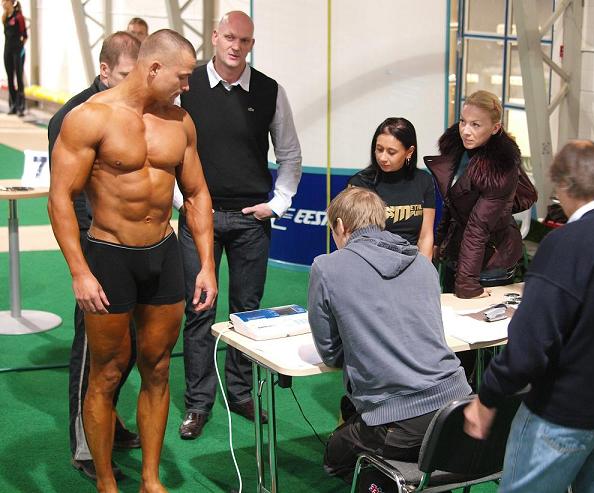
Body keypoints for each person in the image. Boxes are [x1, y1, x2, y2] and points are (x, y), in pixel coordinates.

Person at [48, 29, 217, 493]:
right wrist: (79, 271)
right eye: (182, 77)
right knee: (106, 373)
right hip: (109, 256)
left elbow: (197, 193)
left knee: (158, 367)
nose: (187, 86)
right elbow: (60, 198)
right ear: (154, 68)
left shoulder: (180, 121)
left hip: (162, 254)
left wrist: (206, 264)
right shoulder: (90, 118)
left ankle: (150, 479)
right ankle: (106, 483)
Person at [463, 141, 594, 493]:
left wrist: (488, 396)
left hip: (564, 412)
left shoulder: (566, 244)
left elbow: (531, 342)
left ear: (565, 185)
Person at [177, 10, 302, 438]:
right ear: (215, 36)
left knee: (248, 313)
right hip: (199, 218)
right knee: (199, 310)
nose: (236, 46)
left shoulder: (270, 91)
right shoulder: (187, 86)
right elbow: (167, 148)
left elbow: (290, 154)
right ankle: (198, 403)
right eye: (230, 37)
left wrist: (278, 204)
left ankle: (240, 392)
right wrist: (182, 202)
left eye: (245, 41)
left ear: (251, 44)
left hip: (252, 221)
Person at [307, 186, 471, 480]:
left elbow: (330, 353)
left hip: (398, 421)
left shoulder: (327, 267)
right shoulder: (422, 263)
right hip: (458, 407)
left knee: (335, 456)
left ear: (340, 226)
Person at [47, 31, 142, 483]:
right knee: (93, 352)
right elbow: (65, 197)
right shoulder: (73, 117)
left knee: (130, 348)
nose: (133, 83)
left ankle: (108, 419)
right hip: (96, 249)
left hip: (136, 251)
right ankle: (84, 446)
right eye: (125, 74)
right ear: (105, 70)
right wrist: (84, 264)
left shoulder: (138, 110)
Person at [426, 90, 523, 299]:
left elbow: (478, 228)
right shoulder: (458, 149)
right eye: (463, 121)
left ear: (495, 128)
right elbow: (451, 202)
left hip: (490, 262)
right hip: (459, 254)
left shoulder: (500, 169)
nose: (465, 131)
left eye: (476, 125)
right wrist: (439, 241)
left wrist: (468, 285)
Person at [348, 117, 435, 258]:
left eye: (391, 152)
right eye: (379, 149)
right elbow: (350, 237)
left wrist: (424, 269)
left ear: (409, 151)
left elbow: (425, 237)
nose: (383, 157)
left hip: (411, 261)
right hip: (370, 261)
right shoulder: (359, 183)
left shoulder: (424, 181)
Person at [2, 0, 27, 116]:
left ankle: (21, 106)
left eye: (4, 1)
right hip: (7, 51)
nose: (2, 4)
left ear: (11, 2)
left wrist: (19, 47)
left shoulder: (19, 17)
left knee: (19, 78)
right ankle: (13, 105)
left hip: (17, 51)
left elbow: (24, 35)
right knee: (10, 78)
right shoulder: (4, 17)